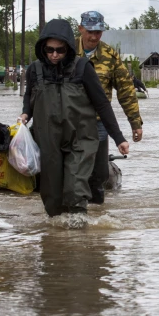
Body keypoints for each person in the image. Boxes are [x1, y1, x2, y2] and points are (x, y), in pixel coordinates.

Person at [18, 18, 130, 217]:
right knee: (52, 197)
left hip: (81, 138)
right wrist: (26, 113)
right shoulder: (35, 70)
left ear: (68, 48)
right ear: (42, 48)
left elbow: (102, 104)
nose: (54, 55)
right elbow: (30, 96)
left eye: (59, 50)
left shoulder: (82, 68)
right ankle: (57, 240)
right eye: (49, 50)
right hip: (49, 139)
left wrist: (119, 137)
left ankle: (80, 235)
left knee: (76, 189)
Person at [76, 11, 143, 204]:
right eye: (90, 31)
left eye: (98, 32)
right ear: (80, 29)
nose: (94, 36)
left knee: (98, 174)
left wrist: (135, 123)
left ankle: (97, 216)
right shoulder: (66, 51)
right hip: (70, 122)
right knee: (72, 171)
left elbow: (126, 90)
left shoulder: (109, 55)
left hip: (98, 123)